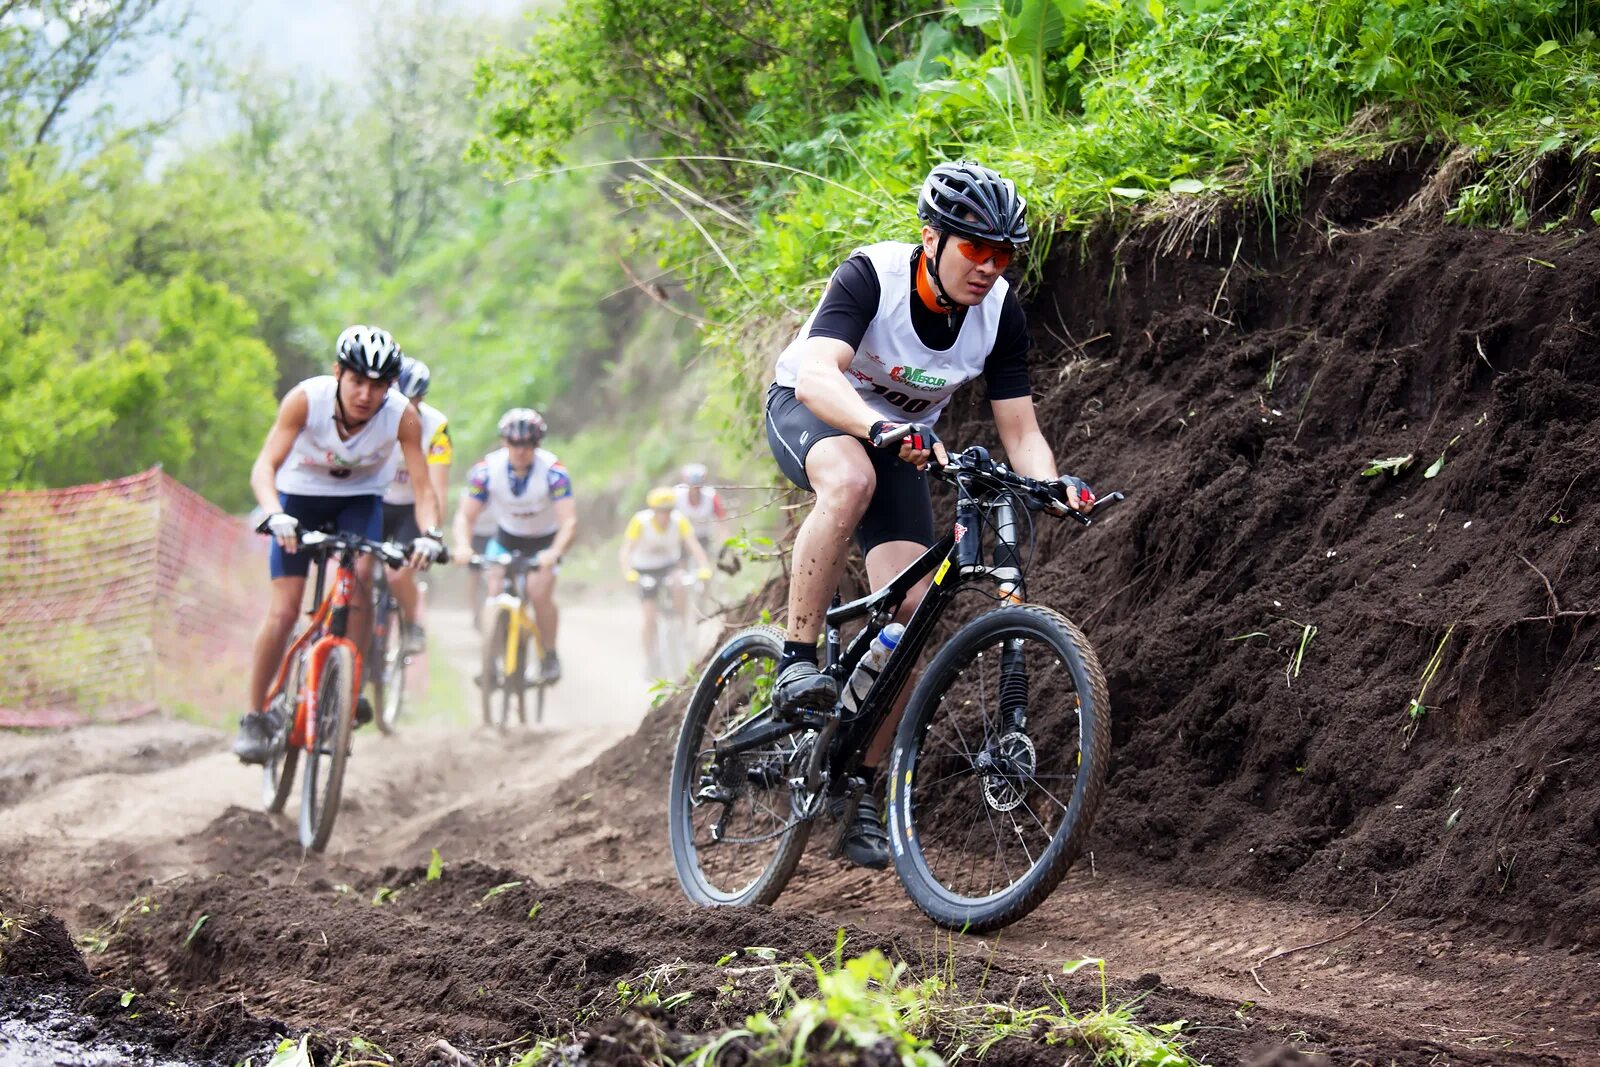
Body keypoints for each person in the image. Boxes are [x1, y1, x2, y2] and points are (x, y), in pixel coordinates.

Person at [762, 160, 1097, 868]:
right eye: (974, 248)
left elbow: (1021, 429)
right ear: (931, 238)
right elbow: (821, 372)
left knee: (911, 615)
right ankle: (796, 659)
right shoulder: (871, 278)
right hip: (813, 410)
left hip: (900, 446)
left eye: (1002, 254)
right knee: (849, 478)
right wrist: (874, 427)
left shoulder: (999, 310)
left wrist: (1053, 483)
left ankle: (859, 787)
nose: (988, 268)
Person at [235, 325, 444, 764]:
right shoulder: (305, 399)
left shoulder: (402, 415)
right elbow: (264, 466)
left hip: (359, 500)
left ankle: (349, 683)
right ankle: (254, 716)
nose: (366, 394)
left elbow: (424, 489)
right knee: (286, 609)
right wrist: (275, 512)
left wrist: (429, 534)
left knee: (363, 575)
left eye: (379, 385)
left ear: (391, 387)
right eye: (357, 381)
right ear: (338, 373)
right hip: (298, 499)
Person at [450, 408, 576, 682]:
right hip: (506, 538)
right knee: (494, 590)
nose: (521, 451)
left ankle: (550, 655)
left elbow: (569, 522)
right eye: (515, 444)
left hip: (544, 542)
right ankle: (490, 661)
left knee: (538, 592)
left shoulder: (554, 472)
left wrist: (555, 552)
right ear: (504, 442)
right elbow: (465, 516)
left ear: (537, 445)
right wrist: (463, 546)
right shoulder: (485, 471)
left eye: (528, 445)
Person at [380, 357, 451, 654]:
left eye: (415, 399)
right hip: (377, 501)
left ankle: (412, 622)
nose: (407, 406)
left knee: (399, 574)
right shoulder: (374, 415)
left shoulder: (436, 426)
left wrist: (431, 534)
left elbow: (437, 490)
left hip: (413, 506)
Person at [620, 487, 712, 677]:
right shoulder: (640, 521)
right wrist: (628, 573)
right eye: (661, 511)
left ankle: (683, 628)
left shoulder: (679, 521)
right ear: (653, 510)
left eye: (668, 510)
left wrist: (704, 567)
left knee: (680, 584)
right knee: (649, 618)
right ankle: (650, 660)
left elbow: (693, 545)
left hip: (669, 566)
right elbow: (625, 551)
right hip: (644, 570)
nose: (665, 516)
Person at [673, 462, 727, 558]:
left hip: (703, 537)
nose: (695, 488)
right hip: (681, 539)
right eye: (692, 485)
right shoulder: (676, 495)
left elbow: (722, 521)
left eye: (698, 485)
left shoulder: (711, 496)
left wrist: (725, 543)